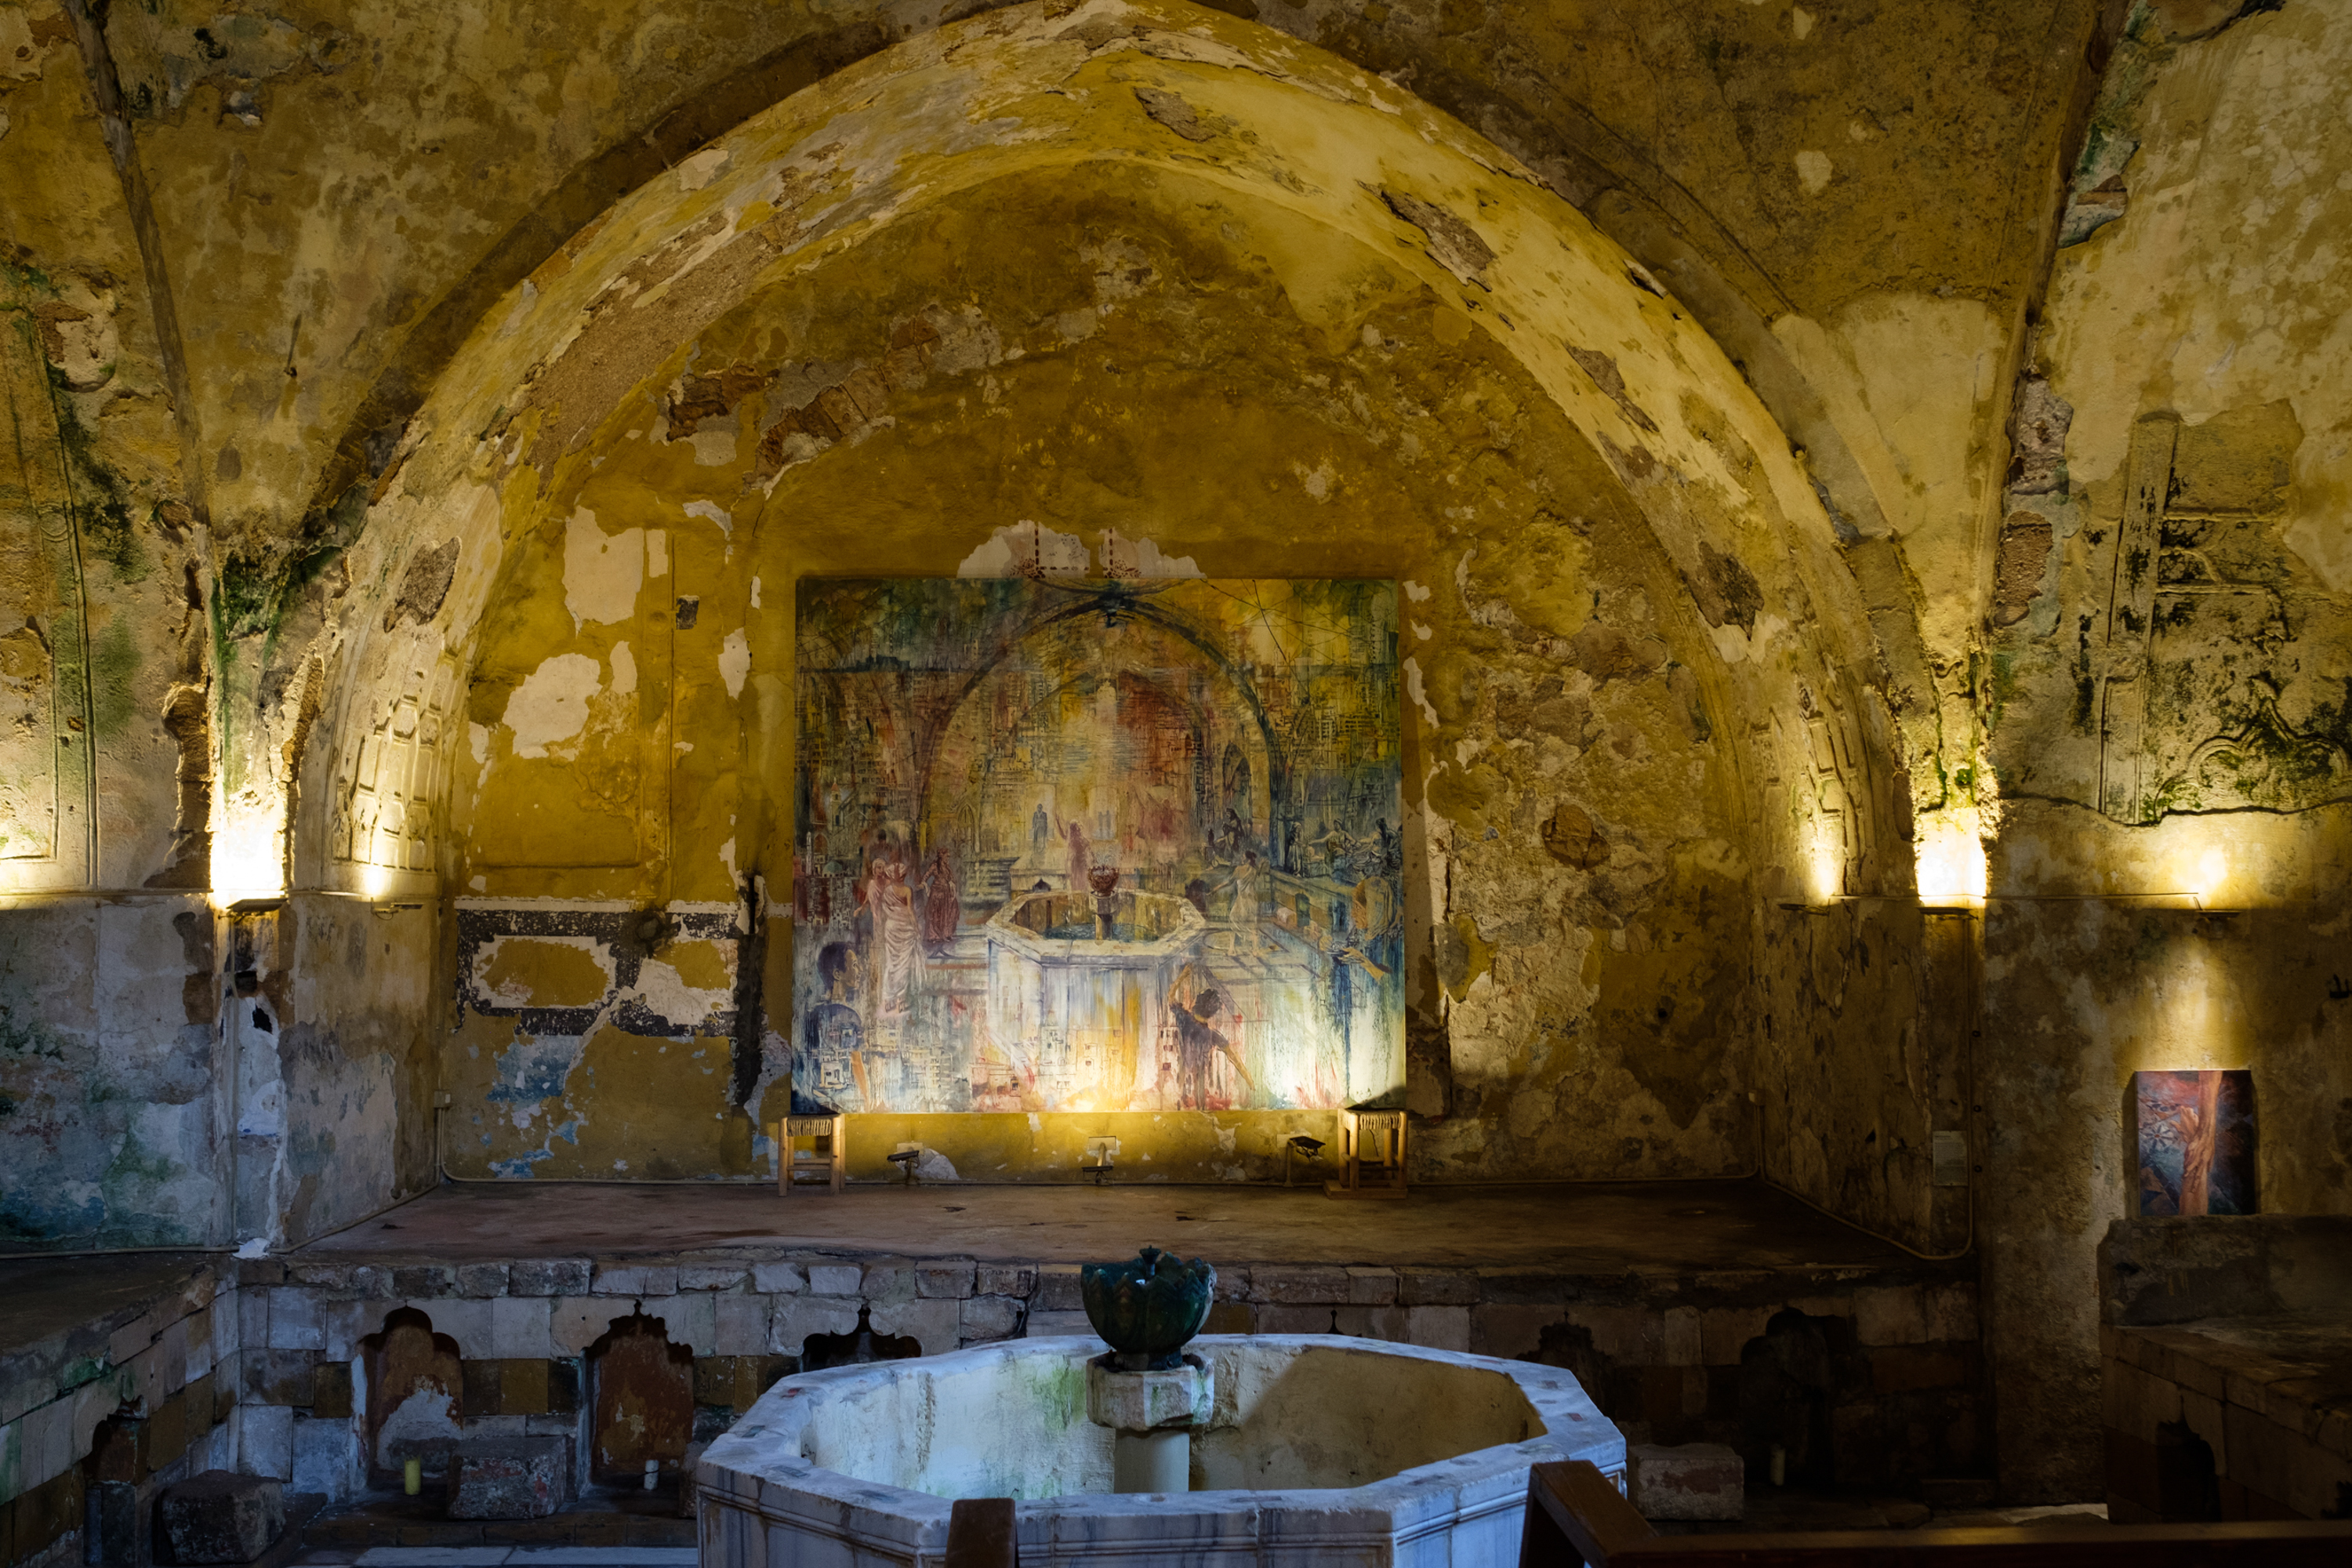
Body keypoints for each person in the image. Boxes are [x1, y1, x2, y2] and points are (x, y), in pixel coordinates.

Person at [920, 848, 959, 955]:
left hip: (945, 893)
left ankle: (945, 934)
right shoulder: (935, 865)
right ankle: (933, 936)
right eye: (947, 856)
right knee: (934, 914)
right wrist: (924, 884)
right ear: (942, 855)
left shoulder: (947, 867)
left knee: (947, 913)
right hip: (936, 893)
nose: (948, 858)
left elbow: (951, 878)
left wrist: (952, 885)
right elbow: (926, 876)